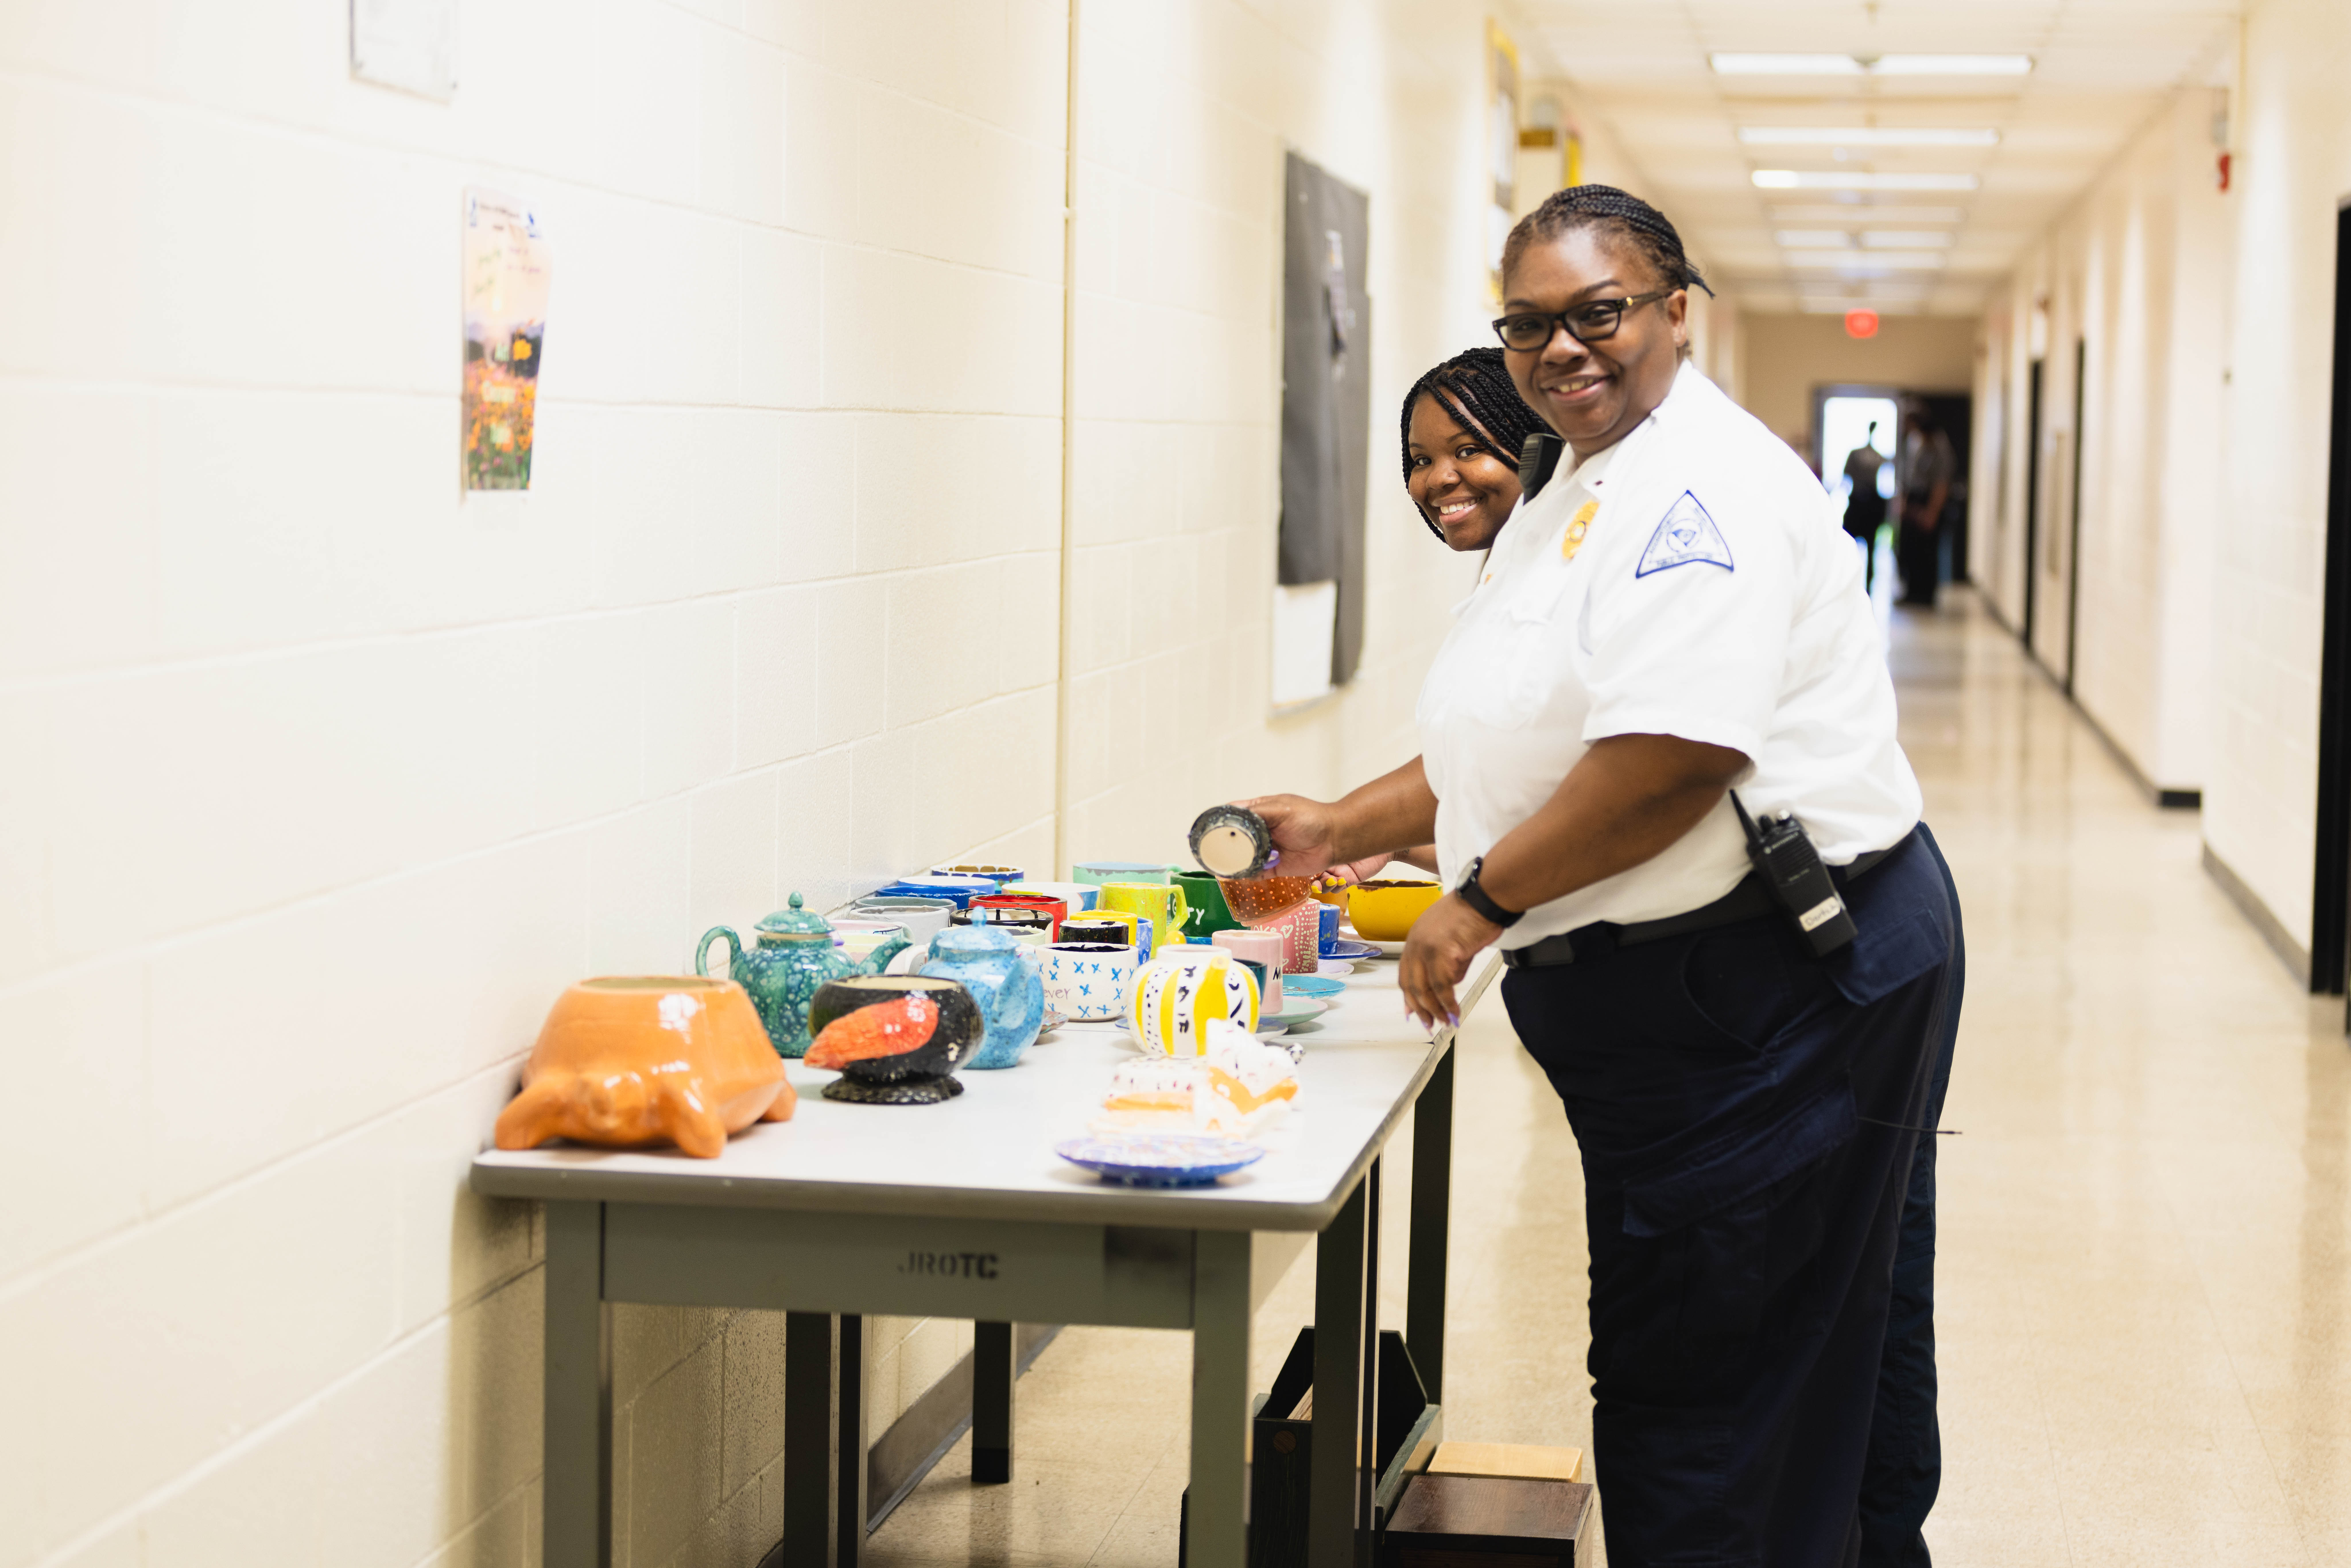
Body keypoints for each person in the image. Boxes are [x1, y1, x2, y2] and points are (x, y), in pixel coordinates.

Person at [1241, 185, 1964, 1567]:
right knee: (1814, 1340)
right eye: (1526, 325)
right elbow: (1524, 736)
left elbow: (1667, 759)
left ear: (1673, 311)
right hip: (1715, 988)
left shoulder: (1701, 490)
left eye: (1598, 312)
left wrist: (1477, 904)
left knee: (1711, 1398)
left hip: (1771, 991)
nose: (1560, 347)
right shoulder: (1584, 470)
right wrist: (1336, 826)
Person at [1894, 405, 1956, 608]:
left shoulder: (1938, 445)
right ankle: (1912, 591)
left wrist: (1932, 512)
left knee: (1926, 552)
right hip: (1915, 500)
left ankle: (1925, 595)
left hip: (1928, 501)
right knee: (1910, 548)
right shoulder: (1914, 442)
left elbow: (1941, 483)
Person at [1842, 423, 1890, 593]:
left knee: (1869, 547)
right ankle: (1849, 580)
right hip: (1858, 505)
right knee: (1851, 546)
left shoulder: (1877, 457)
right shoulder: (1857, 455)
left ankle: (1867, 583)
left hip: (1869, 507)